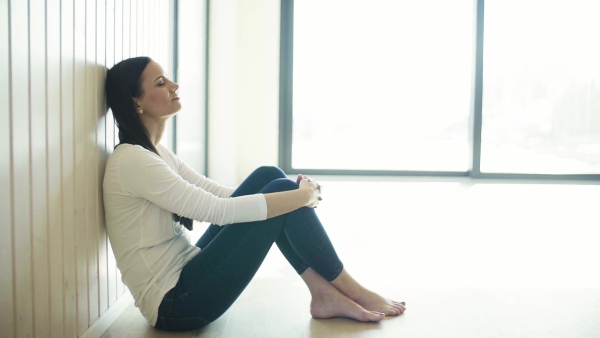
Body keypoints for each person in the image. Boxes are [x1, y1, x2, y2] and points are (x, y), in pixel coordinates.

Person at [103, 56, 405, 332]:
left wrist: (287, 198)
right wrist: (300, 197)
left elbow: (222, 195)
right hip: (175, 303)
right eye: (160, 83)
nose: (174, 85)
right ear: (136, 104)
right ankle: (353, 291)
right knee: (282, 190)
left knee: (269, 177)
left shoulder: (154, 153)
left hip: (189, 274)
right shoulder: (133, 161)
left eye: (167, 78)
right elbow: (216, 210)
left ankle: (323, 293)